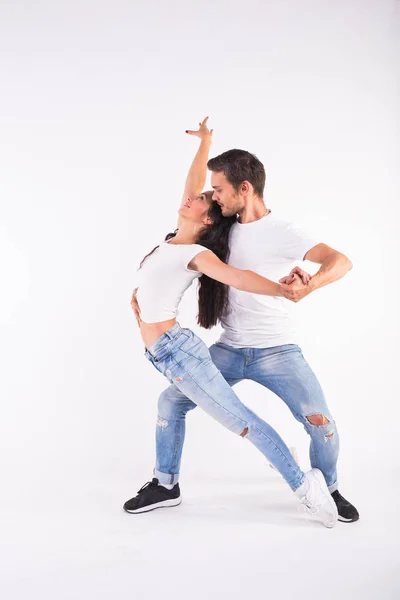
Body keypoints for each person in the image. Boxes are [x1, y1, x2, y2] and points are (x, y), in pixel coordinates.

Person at [129, 118, 360, 525]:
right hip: (230, 349)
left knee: (320, 422)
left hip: (278, 351)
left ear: (244, 188)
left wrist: (306, 288)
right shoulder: (216, 229)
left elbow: (339, 262)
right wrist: (206, 144)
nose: (212, 196)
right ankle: (166, 484)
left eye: (218, 189)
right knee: (171, 402)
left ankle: (329, 487)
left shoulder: (284, 231)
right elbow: (192, 193)